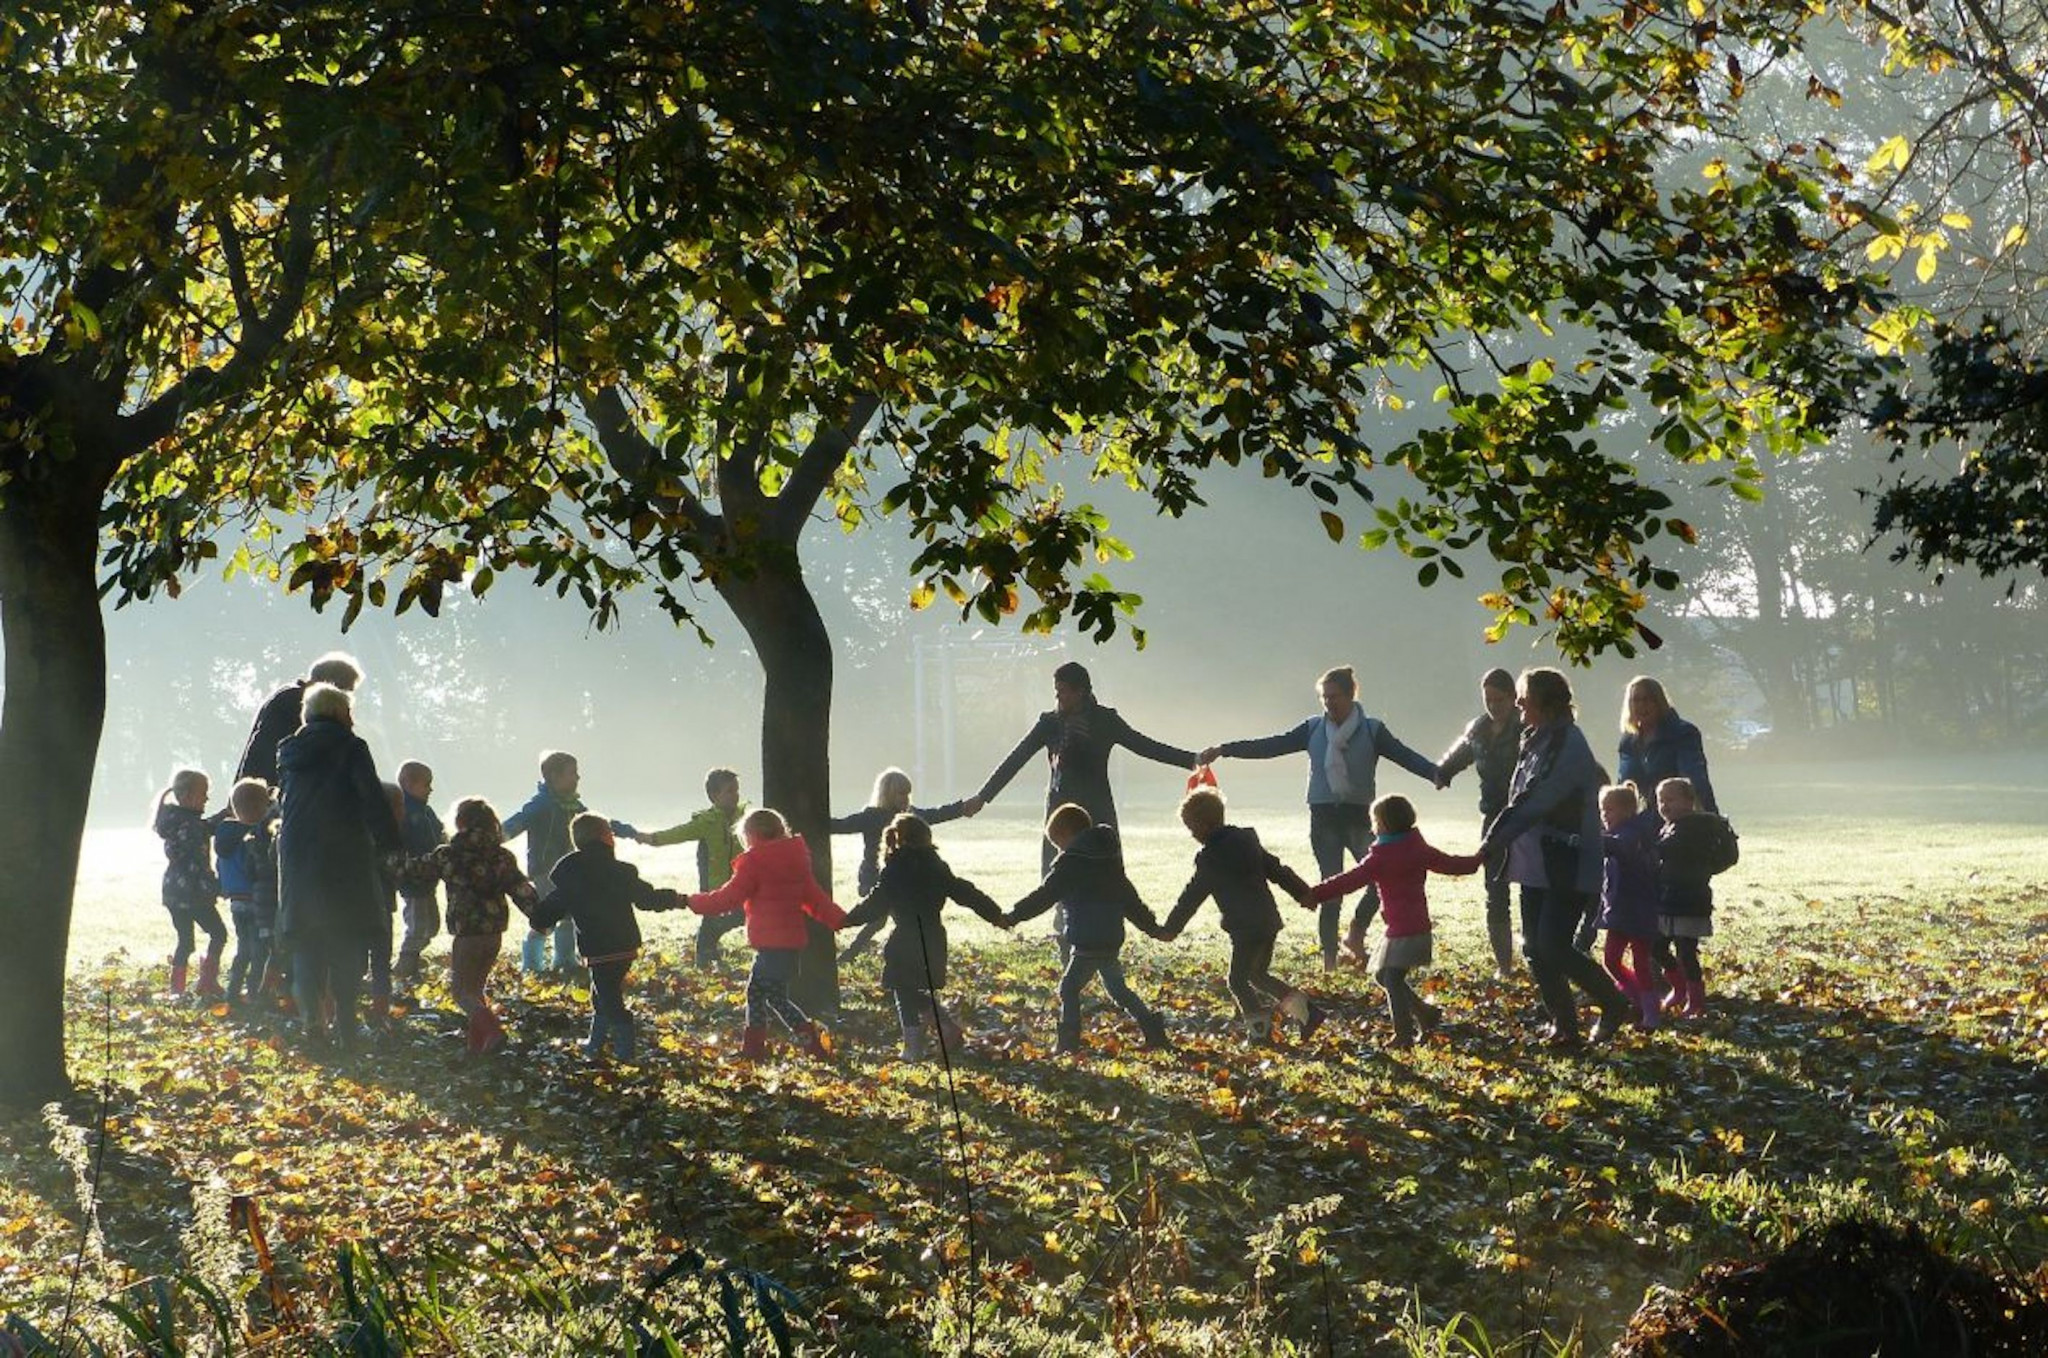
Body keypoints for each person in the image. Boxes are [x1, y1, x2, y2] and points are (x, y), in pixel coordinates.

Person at [1199, 666, 1442, 971]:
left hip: (1360, 816)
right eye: (1324, 697)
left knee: (1378, 878)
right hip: (1324, 817)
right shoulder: (1313, 729)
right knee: (1332, 888)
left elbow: (1404, 755)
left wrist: (1435, 773)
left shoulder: (1372, 730)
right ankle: (1329, 959)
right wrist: (1226, 750)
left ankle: (1356, 932)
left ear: (1351, 695)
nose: (1328, 703)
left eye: (1334, 696)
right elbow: (1272, 745)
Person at [1477, 668, 1631, 1048]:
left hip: (1567, 860)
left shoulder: (1566, 745)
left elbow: (1535, 800)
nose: (1518, 704)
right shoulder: (1535, 739)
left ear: (1546, 702)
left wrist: (1491, 843)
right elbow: (1519, 799)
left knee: (1554, 945)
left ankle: (1614, 1002)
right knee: (1534, 946)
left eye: (1525, 697)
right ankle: (1565, 1025)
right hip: (1535, 862)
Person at [275, 682, 402, 1050]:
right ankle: (346, 1023)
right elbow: (370, 798)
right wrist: (392, 844)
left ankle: (312, 1021)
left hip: (297, 854)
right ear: (339, 712)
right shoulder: (352, 746)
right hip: (344, 852)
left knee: (307, 938)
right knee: (347, 935)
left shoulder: (288, 751)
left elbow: (286, 802)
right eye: (349, 710)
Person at [975, 661, 1195, 875]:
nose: (1058, 697)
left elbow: (1145, 746)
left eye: (1063, 691)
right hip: (1060, 809)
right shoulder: (1049, 723)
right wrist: (983, 797)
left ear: (1080, 691)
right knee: (1056, 876)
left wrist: (1192, 760)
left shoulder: (1105, 720)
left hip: (1097, 809)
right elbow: (1016, 759)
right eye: (1056, 691)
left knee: (1105, 872)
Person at [1305, 794, 1481, 1047]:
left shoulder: (1382, 857)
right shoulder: (1417, 848)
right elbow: (1450, 864)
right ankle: (1425, 1013)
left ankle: (1403, 1034)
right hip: (1414, 926)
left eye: (1375, 821)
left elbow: (1349, 881)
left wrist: (1316, 894)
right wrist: (1477, 860)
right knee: (1383, 976)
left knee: (1391, 979)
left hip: (1403, 930)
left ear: (1384, 824)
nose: (1373, 826)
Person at [1155, 785, 1323, 1043]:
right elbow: (1276, 869)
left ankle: (1261, 1034)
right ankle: (1307, 1013)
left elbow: (1193, 895)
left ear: (1206, 825)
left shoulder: (1210, 858)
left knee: (1237, 981)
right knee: (1258, 975)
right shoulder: (1247, 841)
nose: (1192, 835)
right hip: (1267, 921)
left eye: (1192, 828)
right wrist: (1302, 893)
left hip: (1246, 927)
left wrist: (1171, 928)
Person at [1004, 804, 1173, 1055]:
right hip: (1110, 936)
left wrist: (1014, 915)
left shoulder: (1070, 864)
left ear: (1067, 834)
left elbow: (1045, 896)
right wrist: (1153, 928)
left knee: (1069, 988)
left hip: (1086, 938)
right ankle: (1153, 1029)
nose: (1059, 849)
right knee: (1119, 990)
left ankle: (1068, 1042)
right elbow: (1130, 900)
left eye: (1059, 843)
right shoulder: (1109, 861)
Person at [838, 814, 1008, 1061]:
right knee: (913, 988)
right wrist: (995, 915)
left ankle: (919, 1044)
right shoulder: (937, 866)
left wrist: (846, 920)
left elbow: (875, 904)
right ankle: (939, 1032)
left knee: (901, 987)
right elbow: (966, 892)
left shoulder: (895, 868)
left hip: (906, 937)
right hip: (933, 936)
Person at [686, 808, 847, 1060]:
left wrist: (691, 902)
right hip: (790, 945)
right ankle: (802, 1044)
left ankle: (764, 1048)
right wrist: (839, 918)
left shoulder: (754, 862)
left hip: (771, 946)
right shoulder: (796, 859)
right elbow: (815, 899)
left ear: (750, 835)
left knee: (763, 995)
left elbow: (727, 899)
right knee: (772, 996)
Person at [530, 813, 682, 1062]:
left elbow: (553, 907)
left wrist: (538, 920)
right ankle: (596, 1041)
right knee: (601, 993)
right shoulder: (619, 872)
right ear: (605, 838)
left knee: (608, 996)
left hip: (598, 947)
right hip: (623, 945)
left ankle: (625, 1049)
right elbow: (647, 897)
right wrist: (674, 899)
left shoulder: (571, 875)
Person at [833, 768, 979, 964]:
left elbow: (936, 814)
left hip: (901, 879)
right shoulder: (871, 816)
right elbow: (842, 825)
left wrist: (961, 808)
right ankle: (849, 956)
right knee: (879, 917)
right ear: (887, 793)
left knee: (897, 918)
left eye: (907, 793)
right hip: (873, 877)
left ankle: (893, 957)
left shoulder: (911, 816)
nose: (905, 798)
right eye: (900, 793)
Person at [431, 797, 540, 1055]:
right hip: (494, 933)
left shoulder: (448, 854)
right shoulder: (501, 856)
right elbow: (521, 889)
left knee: (460, 992)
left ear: (459, 822)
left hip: (467, 932)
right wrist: (541, 917)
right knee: (475, 989)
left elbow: (416, 870)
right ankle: (477, 1046)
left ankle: (492, 1031)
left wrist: (387, 863)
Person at [1436, 668, 1524, 973]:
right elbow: (1458, 755)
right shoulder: (1479, 729)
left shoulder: (1525, 727)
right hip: (1492, 817)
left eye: (1500, 699)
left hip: (1526, 815)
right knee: (1495, 890)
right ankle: (1504, 964)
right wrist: (1442, 772)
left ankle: (1537, 952)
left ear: (1514, 697)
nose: (1494, 705)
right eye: (1489, 699)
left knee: (1530, 886)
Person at [619, 767, 747, 969]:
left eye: (737, 790)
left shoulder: (743, 818)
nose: (736, 795)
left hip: (739, 879)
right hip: (713, 880)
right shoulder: (707, 822)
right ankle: (704, 954)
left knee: (742, 914)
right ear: (714, 796)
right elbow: (678, 833)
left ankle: (710, 944)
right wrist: (649, 838)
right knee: (711, 914)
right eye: (730, 791)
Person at [1654, 777, 1740, 1019]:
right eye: (1660, 800)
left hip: (1690, 900)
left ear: (1689, 801)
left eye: (1670, 799)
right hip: (1668, 898)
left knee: (1686, 952)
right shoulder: (1669, 826)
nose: (1664, 805)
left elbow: (1670, 848)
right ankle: (1679, 988)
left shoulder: (1693, 827)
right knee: (1657, 946)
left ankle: (1696, 999)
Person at [502, 750, 585, 975]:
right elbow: (517, 821)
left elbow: (596, 823)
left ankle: (565, 960)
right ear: (554, 776)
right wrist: (494, 836)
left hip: (569, 870)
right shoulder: (541, 804)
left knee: (569, 913)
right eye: (572, 773)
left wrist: (627, 831)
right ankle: (531, 964)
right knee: (547, 915)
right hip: (545, 870)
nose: (578, 778)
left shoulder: (572, 806)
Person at [235, 652, 362, 787]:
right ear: (331, 684)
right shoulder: (300, 702)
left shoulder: (289, 696)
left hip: (259, 786)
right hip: (269, 788)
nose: (347, 699)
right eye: (346, 691)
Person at [1596, 783, 1664, 1031]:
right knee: (1611, 960)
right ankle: (1637, 998)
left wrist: (1594, 840)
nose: (1604, 815)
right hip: (1619, 911)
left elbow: (1619, 846)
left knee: (1641, 962)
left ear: (1626, 810)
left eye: (1609, 810)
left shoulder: (1633, 833)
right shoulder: (1618, 834)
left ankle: (1651, 1012)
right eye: (1602, 810)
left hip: (1639, 910)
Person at [154, 769, 226, 1000]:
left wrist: (226, 814)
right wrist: (216, 886)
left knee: (185, 941)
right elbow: (196, 861)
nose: (206, 798)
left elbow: (205, 827)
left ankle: (177, 989)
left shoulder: (177, 820)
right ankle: (207, 981)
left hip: (174, 892)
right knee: (218, 933)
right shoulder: (190, 825)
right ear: (186, 796)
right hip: (193, 893)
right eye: (203, 793)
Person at [214, 777, 279, 1006]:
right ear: (259, 808)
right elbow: (257, 868)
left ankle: (232, 990)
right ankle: (254, 992)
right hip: (255, 900)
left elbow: (219, 865)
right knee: (260, 949)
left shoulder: (224, 834)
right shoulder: (252, 836)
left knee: (243, 948)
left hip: (235, 900)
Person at [1616, 677, 1719, 814]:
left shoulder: (1682, 733)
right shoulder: (1628, 741)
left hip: (1677, 815)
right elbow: (1624, 783)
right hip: (1642, 819)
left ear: (1659, 702)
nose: (1641, 705)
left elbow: (1695, 780)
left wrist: (1707, 816)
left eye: (1647, 699)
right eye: (1636, 700)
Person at [392, 760, 446, 989]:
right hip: (413, 878)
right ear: (408, 784)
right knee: (418, 924)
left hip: (428, 876)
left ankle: (412, 957)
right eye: (426, 784)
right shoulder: (404, 810)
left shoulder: (425, 810)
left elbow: (438, 830)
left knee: (431, 924)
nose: (430, 789)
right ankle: (405, 965)